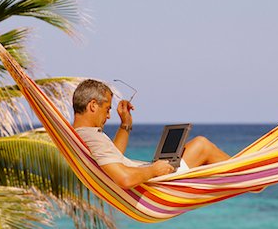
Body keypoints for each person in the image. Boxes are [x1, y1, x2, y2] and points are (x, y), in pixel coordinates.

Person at [72, 79, 230, 189]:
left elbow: (115, 156)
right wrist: (154, 170)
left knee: (188, 151)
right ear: (93, 105)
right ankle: (250, 178)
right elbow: (125, 179)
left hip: (147, 179)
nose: (108, 116)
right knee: (202, 145)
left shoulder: (81, 135)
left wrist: (125, 124)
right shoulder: (92, 137)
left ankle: (249, 176)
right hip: (154, 183)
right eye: (107, 109)